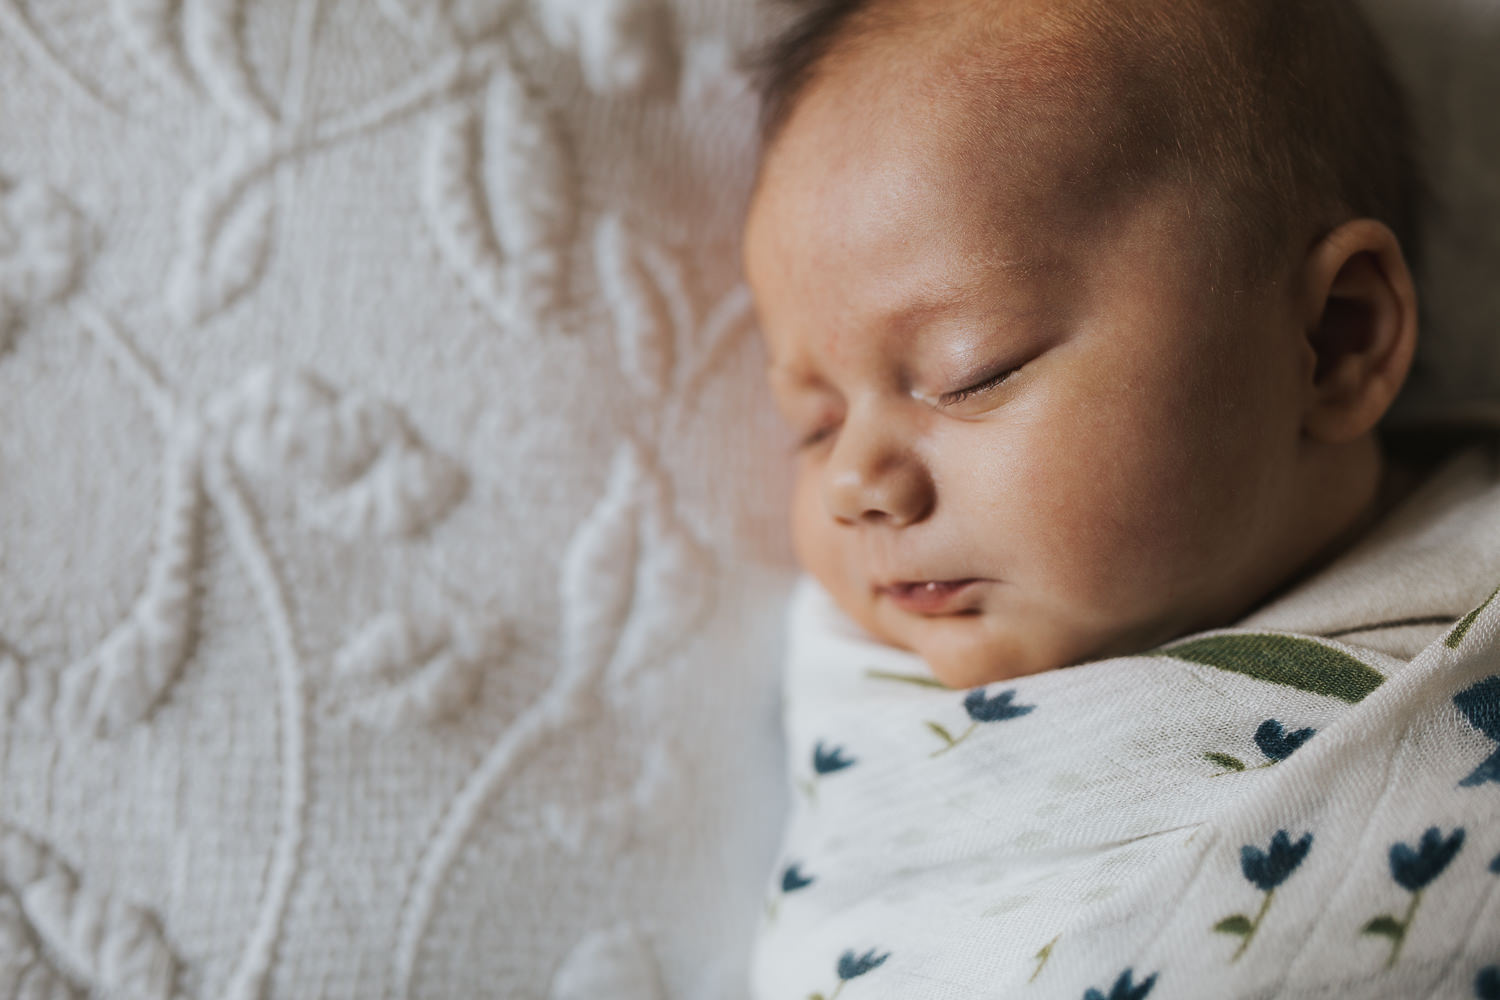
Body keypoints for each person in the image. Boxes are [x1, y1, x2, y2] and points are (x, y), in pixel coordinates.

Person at [744, 1, 1500, 996]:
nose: (856, 484)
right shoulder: (869, 691)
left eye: (972, 372)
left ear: (1335, 339)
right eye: (814, 421)